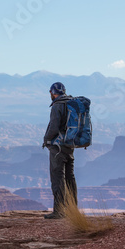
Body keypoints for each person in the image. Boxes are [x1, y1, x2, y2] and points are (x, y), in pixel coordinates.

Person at [42, 82, 78, 219]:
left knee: (58, 178)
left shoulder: (57, 105)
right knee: (70, 178)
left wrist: (46, 140)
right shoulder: (71, 103)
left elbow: (54, 127)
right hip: (70, 146)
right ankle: (72, 209)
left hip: (57, 147)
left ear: (52, 92)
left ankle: (59, 211)